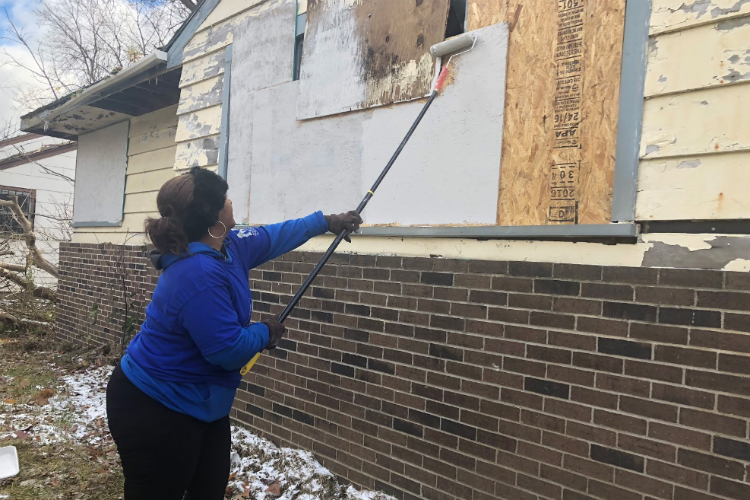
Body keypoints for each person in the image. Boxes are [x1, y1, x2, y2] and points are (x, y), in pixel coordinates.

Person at [106, 167, 362, 499]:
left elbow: (273, 235)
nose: (231, 201)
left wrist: (326, 221)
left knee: (208, 488)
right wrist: (264, 332)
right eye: (224, 199)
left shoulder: (228, 245)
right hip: (154, 406)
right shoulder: (196, 274)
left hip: (203, 405)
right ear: (215, 221)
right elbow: (226, 350)